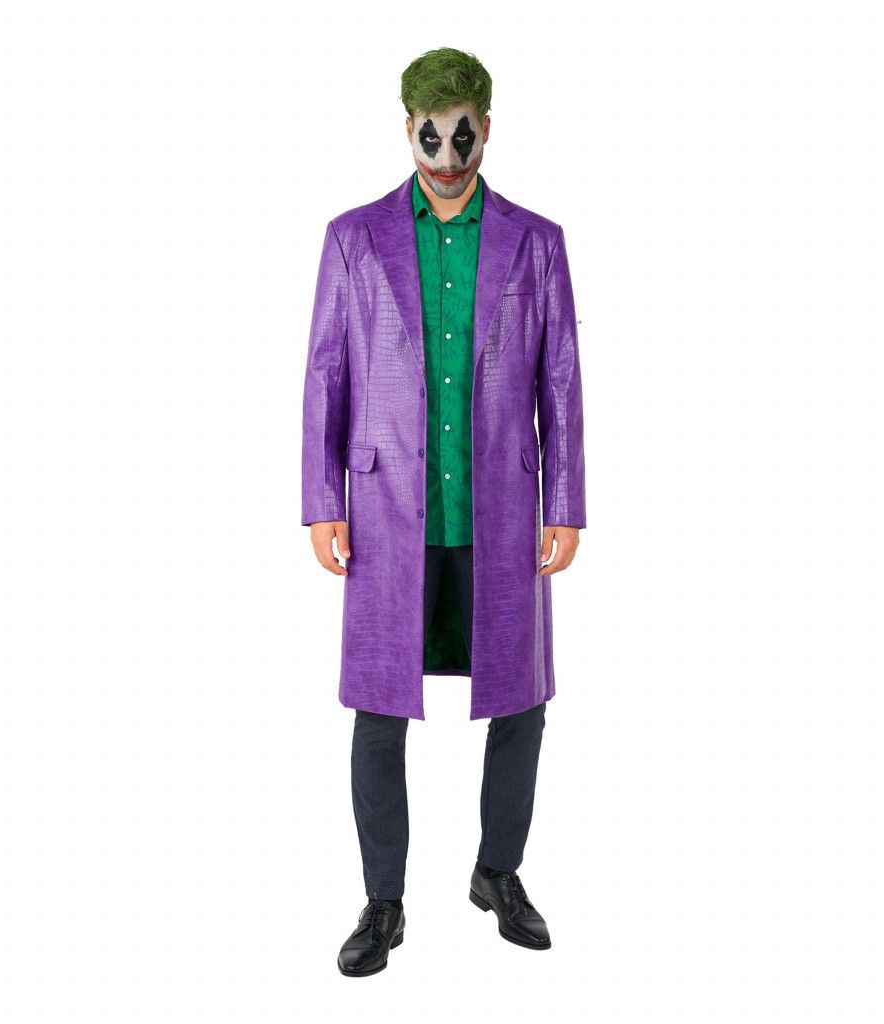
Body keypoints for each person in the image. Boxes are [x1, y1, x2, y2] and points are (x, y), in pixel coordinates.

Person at [300, 46, 586, 977]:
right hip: (388, 514)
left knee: (523, 703)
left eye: (464, 132)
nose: (448, 152)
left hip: (503, 511)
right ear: (407, 128)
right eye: (432, 133)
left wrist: (566, 502)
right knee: (380, 709)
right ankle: (383, 901)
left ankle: (498, 873)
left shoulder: (537, 242)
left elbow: (560, 379)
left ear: (487, 128)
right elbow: (327, 372)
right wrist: (321, 499)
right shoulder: (353, 239)